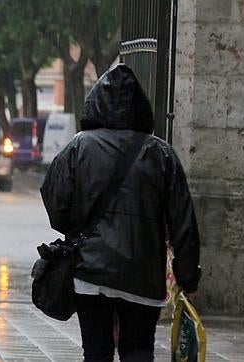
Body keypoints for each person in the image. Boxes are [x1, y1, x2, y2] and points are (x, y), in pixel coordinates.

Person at [40, 64, 201, 362]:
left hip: (91, 270)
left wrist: (78, 230)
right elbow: (184, 223)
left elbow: (55, 203)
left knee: (97, 350)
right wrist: (188, 279)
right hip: (143, 273)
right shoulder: (161, 154)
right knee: (138, 349)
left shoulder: (79, 147)